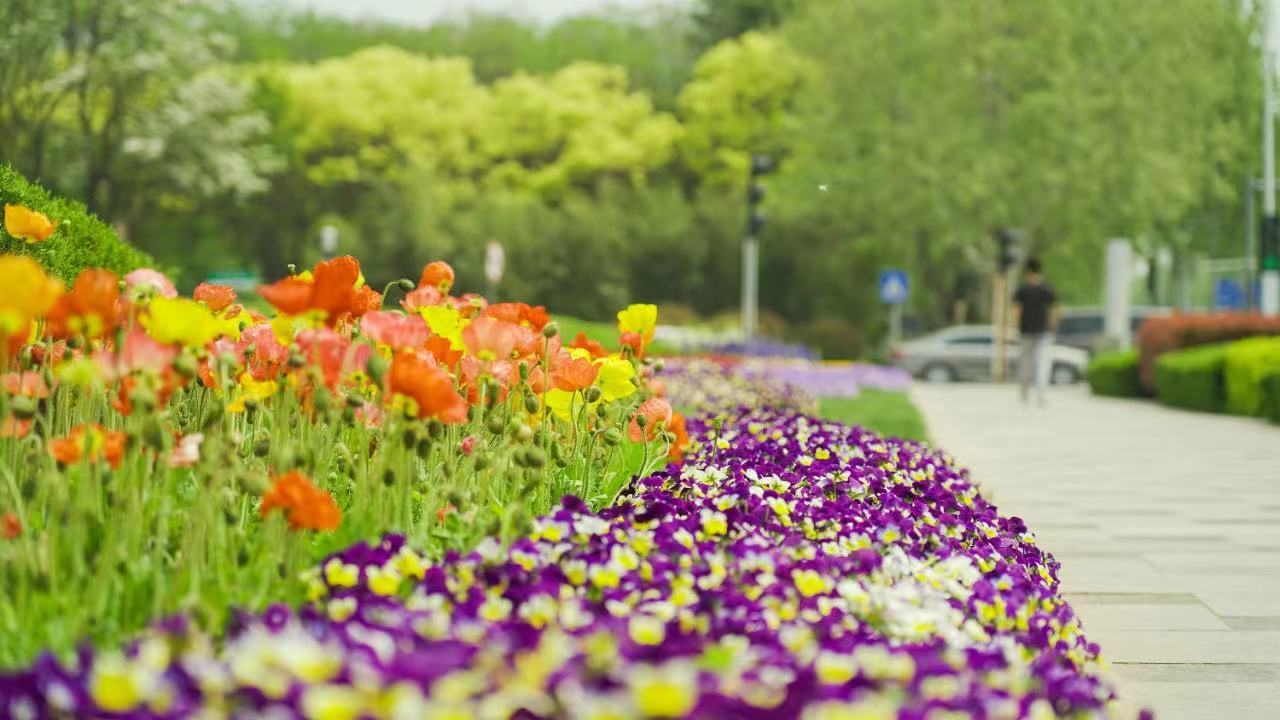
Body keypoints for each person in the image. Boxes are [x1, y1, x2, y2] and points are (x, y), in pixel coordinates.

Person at [1010, 258, 1059, 405]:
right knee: (1042, 363)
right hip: (1043, 332)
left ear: (1027, 271)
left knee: (1025, 363)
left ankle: (1024, 393)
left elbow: (1016, 311)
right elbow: (1056, 310)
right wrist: (1052, 326)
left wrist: (1014, 328)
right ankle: (1041, 394)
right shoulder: (1047, 289)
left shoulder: (1022, 290)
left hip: (1025, 332)